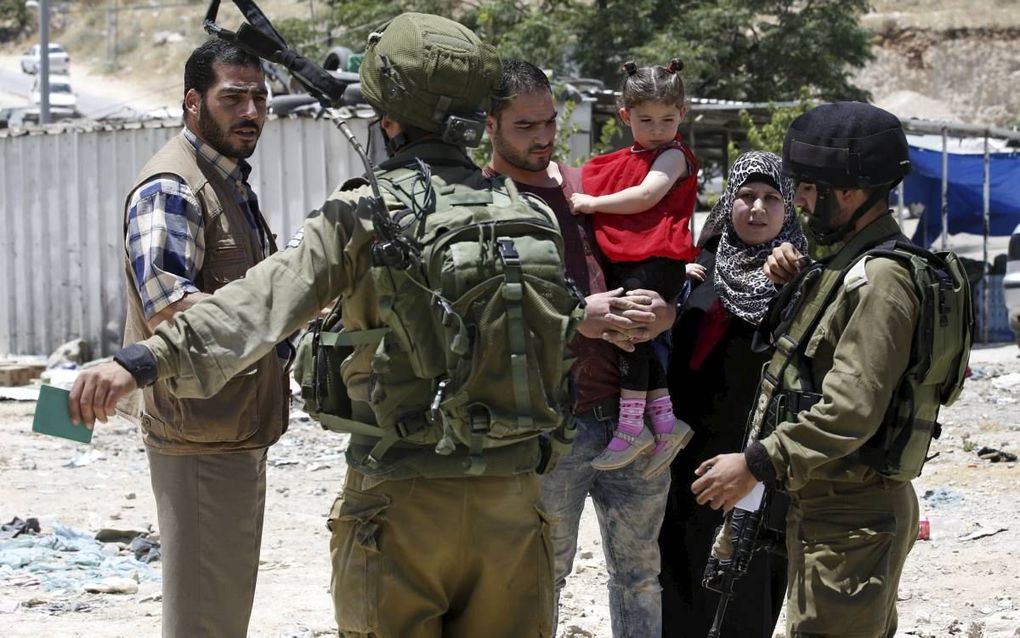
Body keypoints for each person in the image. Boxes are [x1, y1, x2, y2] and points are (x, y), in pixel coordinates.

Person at [70, 15, 616, 638]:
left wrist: (139, 362)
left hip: (400, 506)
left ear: (388, 121)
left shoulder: (363, 210)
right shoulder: (527, 212)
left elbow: (256, 304)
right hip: (517, 506)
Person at [691, 102, 923, 638]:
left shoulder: (882, 279)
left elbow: (850, 411)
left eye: (807, 188)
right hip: (831, 505)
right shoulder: (844, 263)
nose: (797, 201)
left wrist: (754, 462)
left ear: (849, 192)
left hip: (853, 513)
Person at [485, 58, 678, 637]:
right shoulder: (479, 203)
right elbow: (475, 317)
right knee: (544, 575)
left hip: (631, 415)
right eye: (525, 126)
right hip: (547, 429)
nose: (543, 137)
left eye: (548, 122)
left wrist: (666, 310)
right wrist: (575, 321)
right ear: (489, 125)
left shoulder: (586, 187)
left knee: (641, 575)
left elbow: (658, 250)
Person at [115, 38, 285, 638]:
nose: (251, 112)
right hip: (200, 435)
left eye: (259, 98)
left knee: (221, 612)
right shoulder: (174, 187)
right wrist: (282, 306)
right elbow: (174, 315)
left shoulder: (224, 180)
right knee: (204, 622)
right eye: (232, 97)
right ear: (193, 103)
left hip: (229, 427)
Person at [659, 151, 805, 637]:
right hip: (684, 458)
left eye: (771, 198)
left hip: (755, 464)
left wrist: (794, 284)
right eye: (746, 196)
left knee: (744, 591)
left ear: (788, 209)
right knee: (679, 583)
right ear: (729, 202)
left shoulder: (801, 278)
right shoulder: (699, 265)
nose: (757, 208)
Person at [569, 60, 700, 473]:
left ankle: (630, 430)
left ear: (683, 113)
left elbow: (647, 195)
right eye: (646, 119)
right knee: (640, 339)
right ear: (626, 117)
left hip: (655, 258)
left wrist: (592, 204)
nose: (658, 128)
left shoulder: (674, 156)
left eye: (667, 118)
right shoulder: (632, 156)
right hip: (641, 260)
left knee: (630, 336)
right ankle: (663, 422)